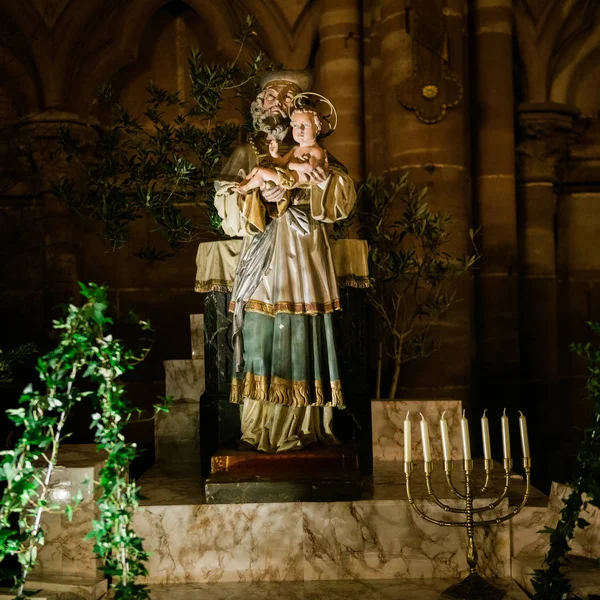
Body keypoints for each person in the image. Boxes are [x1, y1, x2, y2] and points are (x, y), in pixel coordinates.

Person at [214, 71, 356, 453]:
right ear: (258, 104)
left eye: (288, 96)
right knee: (260, 333)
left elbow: (340, 196)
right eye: (270, 94)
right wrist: (258, 194)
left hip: (305, 256)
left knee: (302, 331)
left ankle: (306, 426)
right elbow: (226, 207)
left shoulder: (315, 151)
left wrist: (318, 183)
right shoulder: (246, 153)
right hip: (263, 257)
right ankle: (258, 428)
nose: (277, 102)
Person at [235, 107, 326, 194]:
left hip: (290, 180)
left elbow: (310, 168)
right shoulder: (295, 148)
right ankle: (243, 183)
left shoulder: (316, 150)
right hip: (286, 175)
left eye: (306, 125)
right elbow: (282, 163)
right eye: (295, 125)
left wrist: (291, 165)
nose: (300, 129)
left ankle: (245, 188)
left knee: (261, 172)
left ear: (317, 127)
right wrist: (275, 154)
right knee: (256, 169)